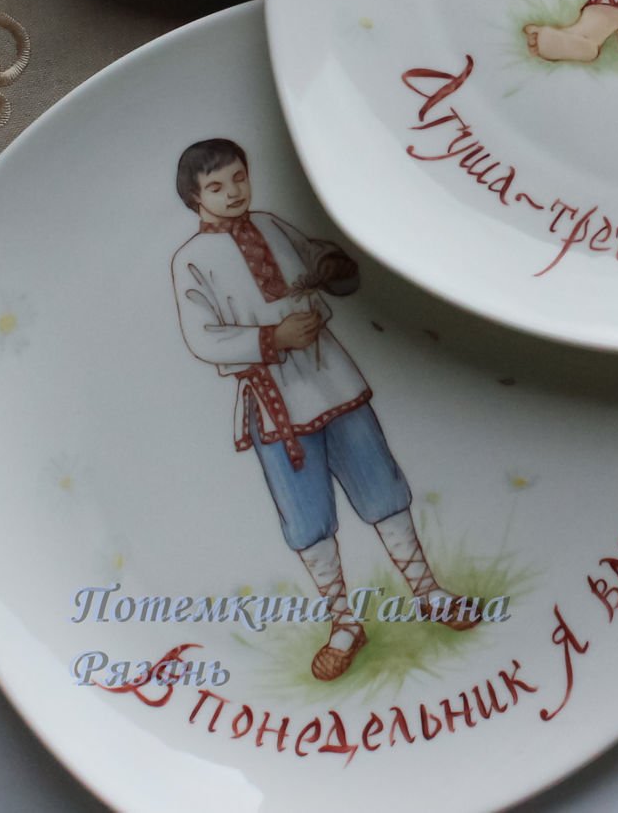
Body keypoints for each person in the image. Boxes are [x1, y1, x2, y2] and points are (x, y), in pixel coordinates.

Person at [170, 139, 476, 681]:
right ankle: (344, 624)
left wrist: (332, 265)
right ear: (194, 198)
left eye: (239, 178)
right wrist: (272, 338)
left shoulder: (272, 225)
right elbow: (203, 337)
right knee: (307, 517)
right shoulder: (192, 259)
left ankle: (427, 592)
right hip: (275, 404)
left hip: (334, 380)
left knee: (382, 488)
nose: (234, 192)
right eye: (216, 186)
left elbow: (322, 260)